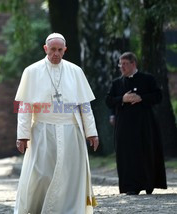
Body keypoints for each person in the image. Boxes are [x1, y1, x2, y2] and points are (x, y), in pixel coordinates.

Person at [14, 33, 99, 213]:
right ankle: (37, 208)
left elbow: (85, 105)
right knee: (42, 173)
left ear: (65, 50)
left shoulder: (75, 71)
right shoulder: (32, 71)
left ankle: (68, 210)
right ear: (45, 49)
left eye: (60, 50)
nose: (56, 54)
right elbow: (25, 106)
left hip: (71, 130)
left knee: (70, 174)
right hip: (42, 130)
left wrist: (92, 132)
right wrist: (22, 135)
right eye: (52, 49)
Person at [105, 52, 167, 195]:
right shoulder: (117, 83)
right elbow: (108, 101)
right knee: (127, 155)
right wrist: (122, 99)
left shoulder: (148, 79)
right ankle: (130, 186)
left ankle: (148, 184)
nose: (122, 67)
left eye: (125, 64)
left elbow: (158, 96)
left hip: (145, 124)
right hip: (124, 126)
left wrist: (141, 98)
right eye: (120, 64)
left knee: (146, 152)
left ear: (134, 64)